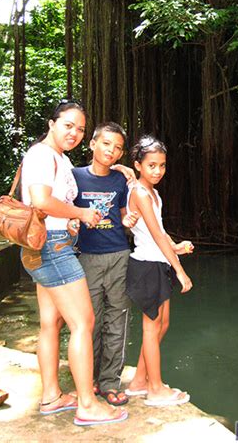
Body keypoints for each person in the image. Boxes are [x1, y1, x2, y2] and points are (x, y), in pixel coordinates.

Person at [20, 99, 128, 426]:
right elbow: (40, 200)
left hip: (46, 244)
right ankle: (86, 404)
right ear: (52, 123)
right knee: (84, 322)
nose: (75, 133)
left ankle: (52, 395)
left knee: (50, 323)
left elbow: (56, 203)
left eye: (80, 128)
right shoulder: (41, 154)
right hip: (53, 248)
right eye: (68, 125)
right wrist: (80, 213)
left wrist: (71, 218)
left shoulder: (59, 159)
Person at [124, 135, 194, 406]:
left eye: (162, 165)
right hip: (146, 266)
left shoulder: (154, 193)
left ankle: (139, 382)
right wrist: (180, 271)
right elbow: (152, 234)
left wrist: (175, 248)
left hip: (157, 262)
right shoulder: (140, 193)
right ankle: (155, 390)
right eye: (151, 165)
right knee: (152, 329)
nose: (157, 170)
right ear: (138, 165)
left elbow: (159, 233)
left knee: (162, 324)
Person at [72, 122, 138, 407]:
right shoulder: (73, 177)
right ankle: (88, 380)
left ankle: (110, 382)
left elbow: (124, 215)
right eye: (106, 143)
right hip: (86, 257)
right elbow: (62, 209)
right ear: (92, 144)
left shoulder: (120, 181)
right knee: (89, 321)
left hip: (119, 255)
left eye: (118, 147)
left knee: (117, 321)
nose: (111, 150)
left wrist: (127, 221)